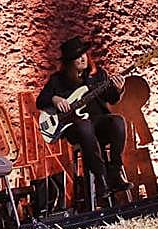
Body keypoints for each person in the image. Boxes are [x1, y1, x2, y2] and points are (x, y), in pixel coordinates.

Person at [36, 35, 131, 204]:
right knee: (84, 126)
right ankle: (101, 179)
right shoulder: (58, 80)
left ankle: (115, 172)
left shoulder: (97, 75)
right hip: (75, 128)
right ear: (69, 62)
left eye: (84, 55)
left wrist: (119, 88)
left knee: (118, 121)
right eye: (77, 57)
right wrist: (55, 99)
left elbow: (112, 99)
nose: (82, 58)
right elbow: (40, 101)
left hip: (98, 123)